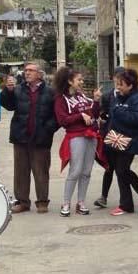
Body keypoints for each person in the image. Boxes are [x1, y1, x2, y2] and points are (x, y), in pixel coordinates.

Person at [0, 60, 58, 214]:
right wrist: (8, 91)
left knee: (41, 172)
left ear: (40, 74)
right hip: (21, 137)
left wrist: (48, 130)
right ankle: (22, 202)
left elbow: (57, 115)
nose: (27, 73)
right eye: (26, 70)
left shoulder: (50, 92)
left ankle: (42, 202)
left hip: (41, 139)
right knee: (21, 172)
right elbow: (8, 105)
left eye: (31, 70)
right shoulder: (18, 90)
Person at [53, 66, 100, 217]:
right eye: (79, 79)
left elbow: (94, 113)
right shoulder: (61, 99)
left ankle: (81, 202)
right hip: (76, 137)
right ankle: (66, 202)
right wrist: (80, 116)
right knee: (75, 171)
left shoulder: (82, 96)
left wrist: (97, 101)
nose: (82, 81)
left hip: (90, 136)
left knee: (86, 172)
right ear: (69, 81)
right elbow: (63, 120)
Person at [105, 68, 138, 215]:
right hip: (117, 139)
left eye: (121, 84)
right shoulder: (120, 98)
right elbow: (111, 114)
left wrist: (119, 112)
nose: (118, 87)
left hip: (131, 141)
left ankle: (127, 205)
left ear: (130, 85)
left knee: (122, 170)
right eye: (117, 84)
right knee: (122, 171)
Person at [93, 67, 124, 209]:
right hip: (109, 137)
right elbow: (102, 115)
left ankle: (127, 199)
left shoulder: (130, 95)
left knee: (123, 170)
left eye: (122, 78)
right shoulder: (107, 96)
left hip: (124, 138)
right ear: (113, 78)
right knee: (109, 168)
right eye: (117, 77)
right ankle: (103, 197)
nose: (119, 81)